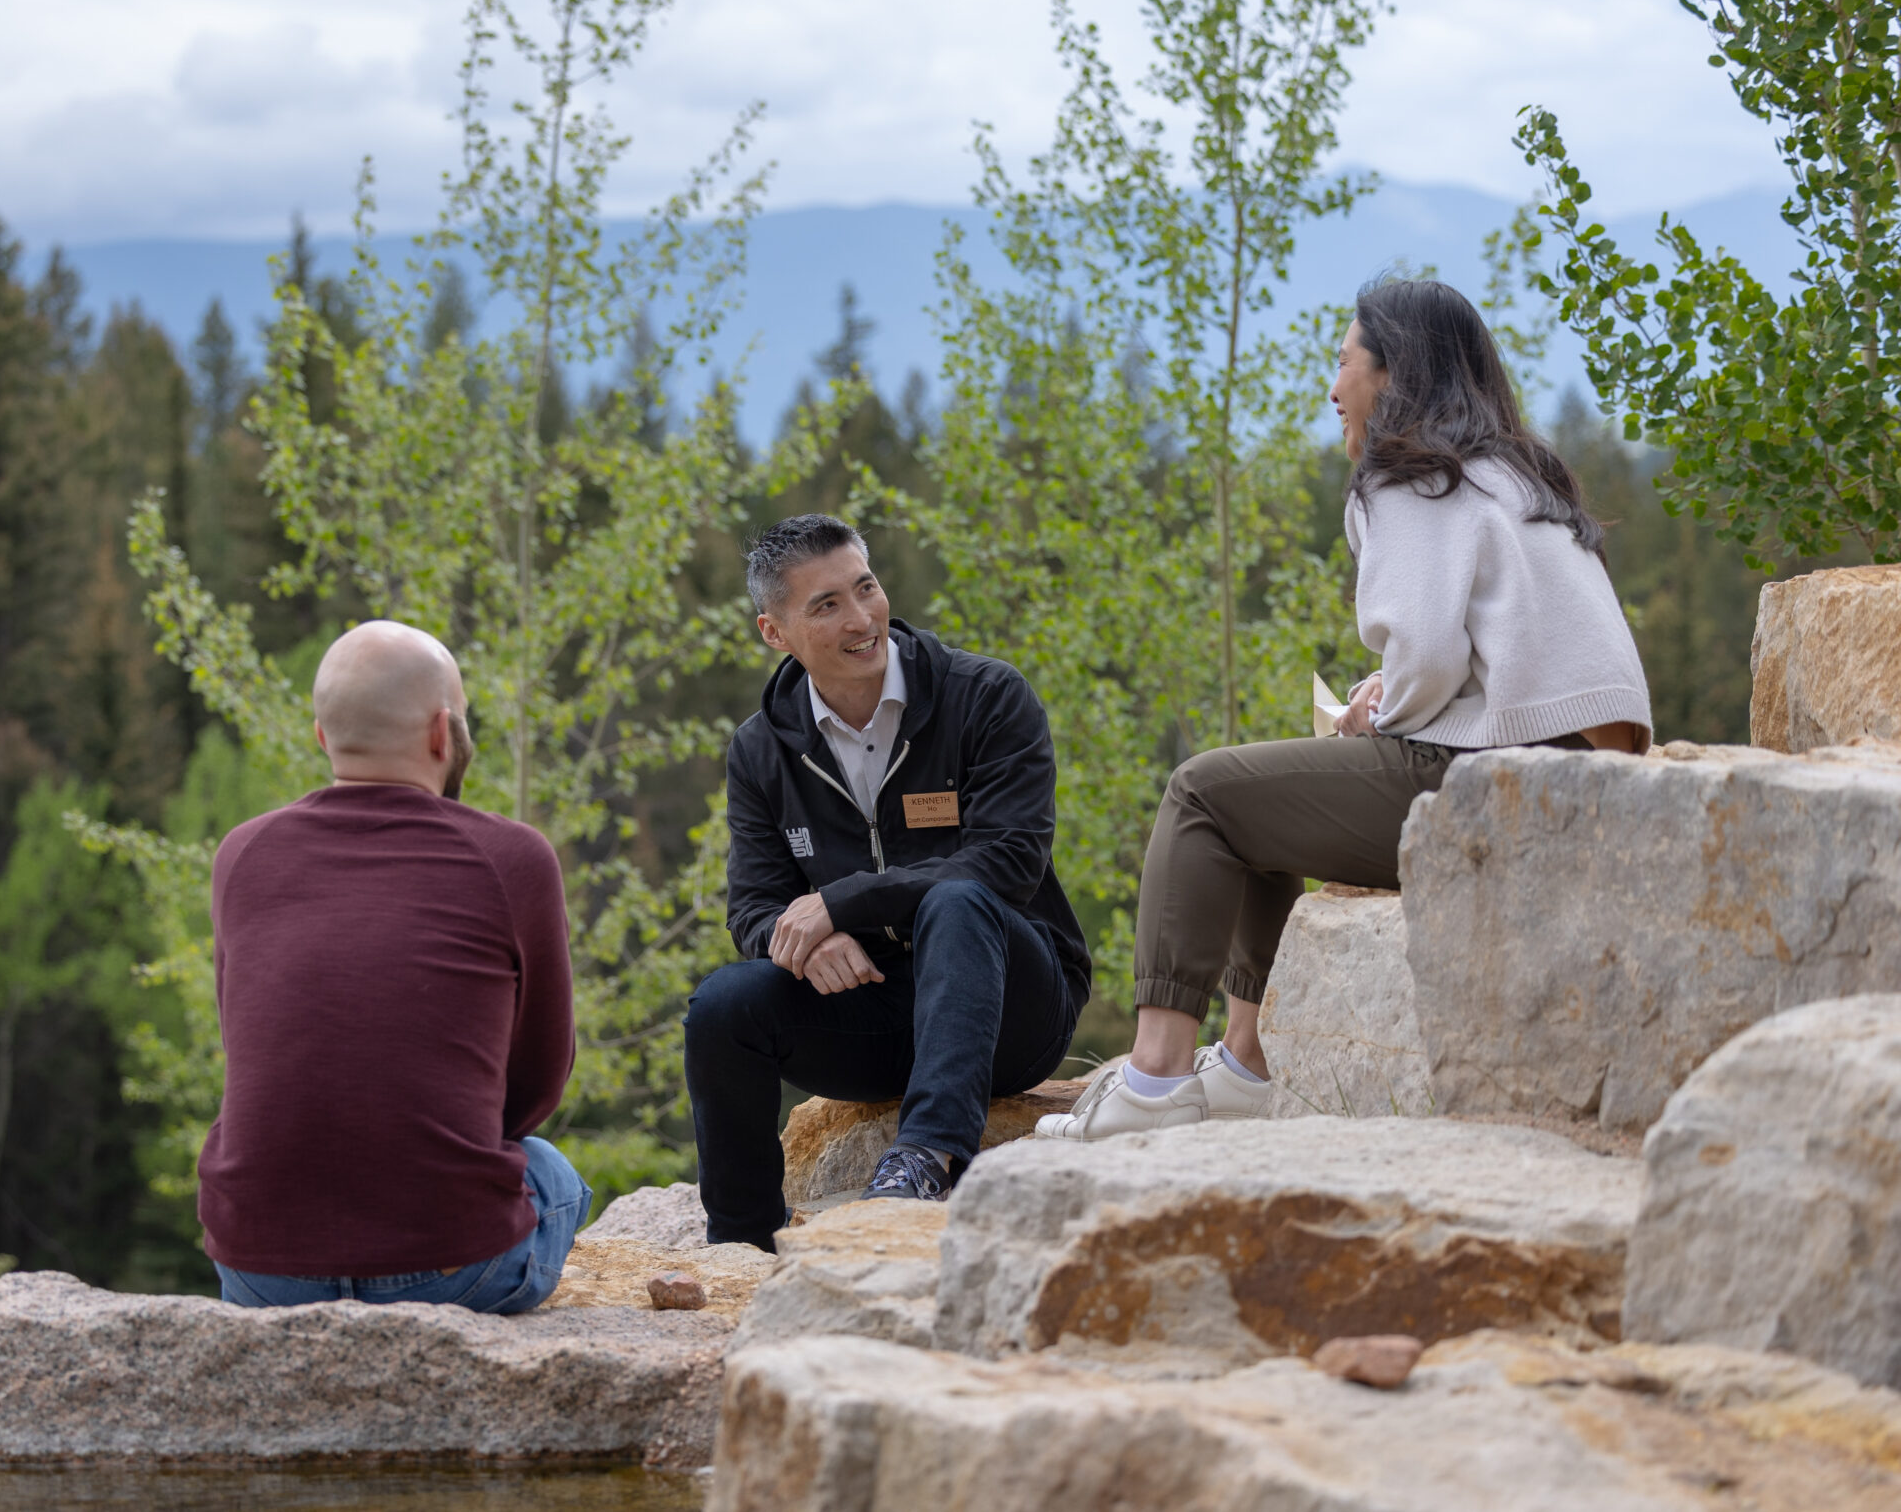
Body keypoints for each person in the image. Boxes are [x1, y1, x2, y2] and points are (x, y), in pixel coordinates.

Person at [1040, 277, 1653, 1141]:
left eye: (1343, 362)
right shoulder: (1520, 472)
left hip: (1493, 786)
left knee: (1203, 794)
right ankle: (1247, 1059)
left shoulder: (1410, 477)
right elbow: (1509, 654)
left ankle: (1155, 1076)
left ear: (1392, 373)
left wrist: (1384, 712)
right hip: (1587, 779)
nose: (1332, 389)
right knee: (1263, 800)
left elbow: (1431, 660)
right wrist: (1400, 695)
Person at [684, 515, 1092, 1247]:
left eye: (865, 587)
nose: (862, 618)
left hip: (1009, 1010)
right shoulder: (759, 750)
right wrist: (804, 944)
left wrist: (838, 903)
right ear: (773, 632)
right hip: (869, 1018)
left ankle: (924, 1159)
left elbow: (1008, 861)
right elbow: (753, 907)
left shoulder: (986, 697)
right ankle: (741, 1242)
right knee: (722, 1005)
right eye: (827, 605)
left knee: (960, 897)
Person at [199, 619, 587, 1309]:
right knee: (552, 1172)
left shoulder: (241, 855)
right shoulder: (513, 858)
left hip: (263, 1271)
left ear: (323, 737)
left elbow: (254, 1046)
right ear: (444, 733)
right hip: (452, 1269)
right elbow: (535, 1087)